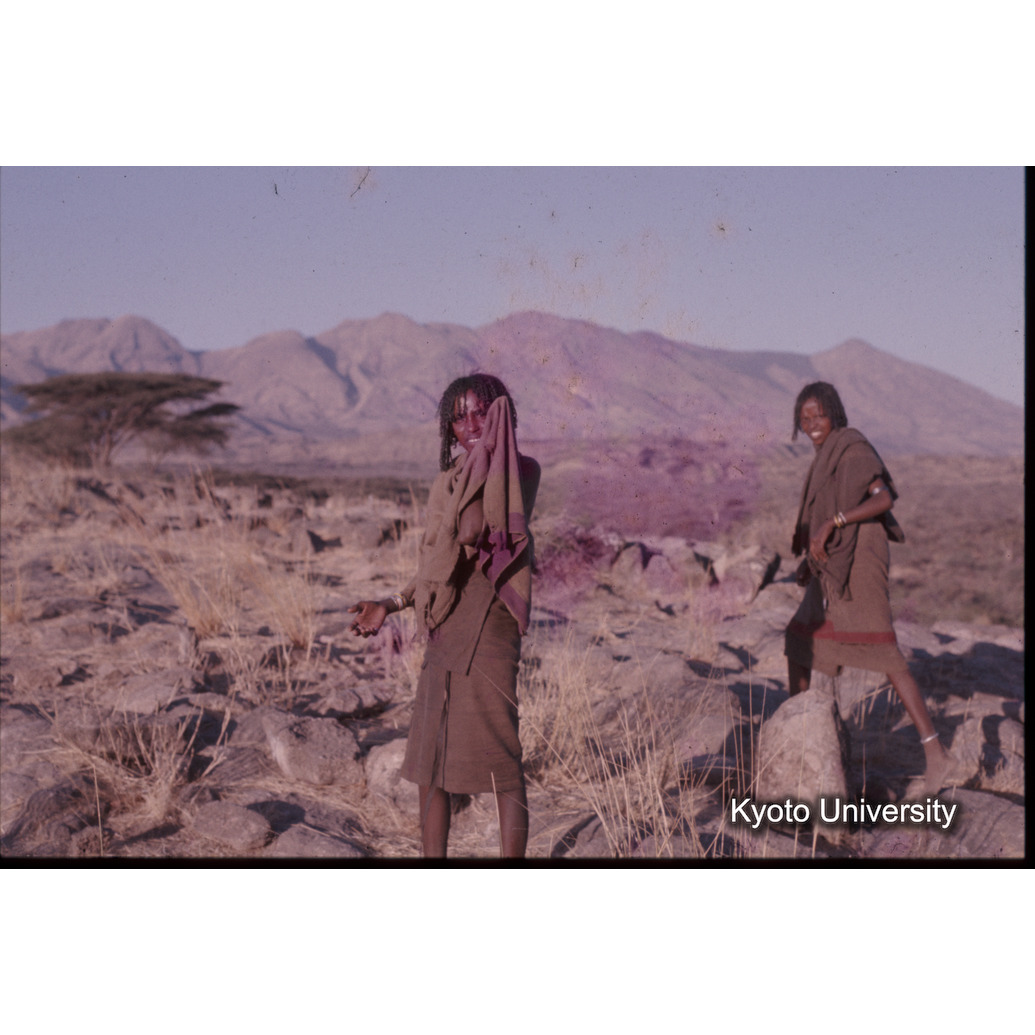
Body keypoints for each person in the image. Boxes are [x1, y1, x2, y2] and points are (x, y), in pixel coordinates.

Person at [348, 374, 540, 858]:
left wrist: (484, 456)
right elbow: (435, 566)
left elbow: (473, 529)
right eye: (458, 418)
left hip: (489, 626)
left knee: (501, 756)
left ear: (502, 415)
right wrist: (390, 604)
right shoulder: (446, 482)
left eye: (482, 413)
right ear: (447, 429)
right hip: (445, 624)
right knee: (430, 758)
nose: (470, 425)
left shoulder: (520, 469)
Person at [784, 381, 959, 797]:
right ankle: (799, 734)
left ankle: (936, 755)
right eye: (805, 418)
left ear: (835, 414)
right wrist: (812, 555)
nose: (812, 424)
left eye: (819, 415)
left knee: (882, 649)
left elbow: (884, 499)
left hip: (861, 558)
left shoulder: (853, 448)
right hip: (831, 561)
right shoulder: (824, 456)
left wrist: (834, 523)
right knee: (799, 638)